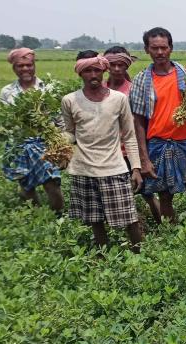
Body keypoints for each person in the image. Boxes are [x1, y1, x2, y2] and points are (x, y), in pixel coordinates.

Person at [61, 51, 143, 251]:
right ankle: (103, 255)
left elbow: (129, 135)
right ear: (80, 73)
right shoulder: (70, 101)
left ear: (103, 71)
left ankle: (140, 253)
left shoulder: (118, 99)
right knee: (94, 219)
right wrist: (59, 145)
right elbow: (70, 132)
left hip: (114, 168)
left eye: (96, 70)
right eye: (87, 71)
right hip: (83, 169)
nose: (93, 75)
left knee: (129, 217)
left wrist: (136, 168)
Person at [129, 27, 186, 224]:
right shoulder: (141, 81)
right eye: (155, 48)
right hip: (157, 143)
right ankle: (170, 236)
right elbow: (138, 122)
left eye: (164, 47)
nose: (160, 52)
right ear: (147, 50)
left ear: (171, 48)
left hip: (182, 142)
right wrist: (143, 160)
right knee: (164, 195)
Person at [0, 47, 64, 214]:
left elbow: (58, 118)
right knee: (26, 186)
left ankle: (57, 218)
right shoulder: (7, 92)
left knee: (52, 183)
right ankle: (37, 218)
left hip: (44, 142)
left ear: (34, 65)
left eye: (29, 65)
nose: (25, 69)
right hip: (19, 144)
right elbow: (5, 120)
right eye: (20, 66)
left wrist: (63, 140)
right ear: (14, 68)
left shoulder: (47, 88)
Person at [103, 46, 162, 224]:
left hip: (132, 150)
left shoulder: (133, 89)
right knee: (114, 195)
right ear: (106, 66)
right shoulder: (100, 89)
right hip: (108, 152)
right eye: (113, 65)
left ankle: (164, 227)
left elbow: (143, 122)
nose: (117, 69)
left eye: (121, 65)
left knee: (148, 193)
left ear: (127, 66)